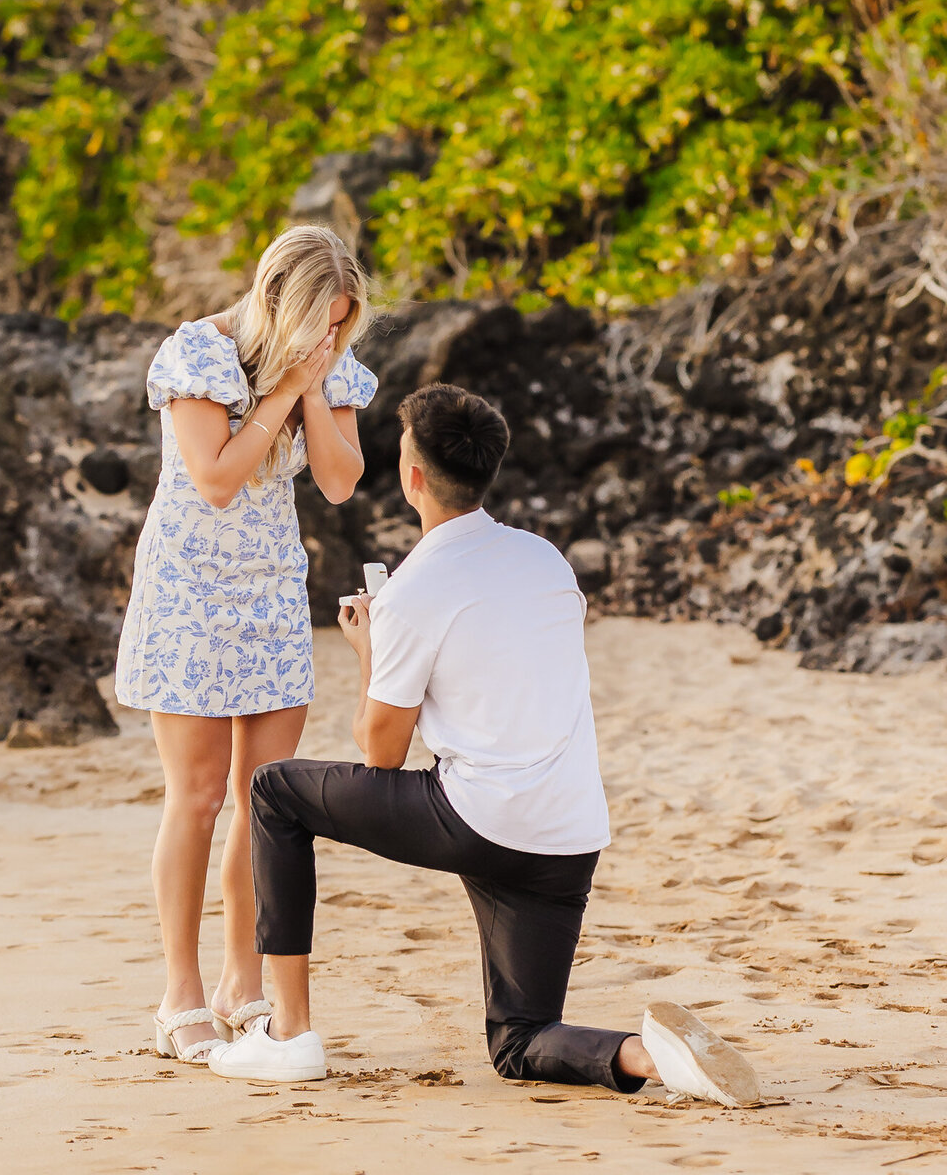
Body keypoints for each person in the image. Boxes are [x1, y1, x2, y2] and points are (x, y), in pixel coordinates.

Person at [207, 382, 762, 1107]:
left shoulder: (414, 587)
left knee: (275, 791)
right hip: (566, 836)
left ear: (411, 476)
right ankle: (649, 1056)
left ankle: (288, 1034)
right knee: (520, 1040)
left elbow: (380, 752)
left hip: (480, 818)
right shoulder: (544, 560)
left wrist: (372, 649)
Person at [115, 226, 377, 1065]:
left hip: (270, 595)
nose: (330, 339)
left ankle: (242, 984)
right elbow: (218, 480)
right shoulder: (196, 354)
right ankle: (178, 995)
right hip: (188, 593)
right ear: (276, 302)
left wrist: (311, 385)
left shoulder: (329, 367)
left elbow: (339, 481)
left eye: (340, 325)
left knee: (263, 799)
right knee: (196, 799)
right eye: (318, 322)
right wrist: (282, 390)